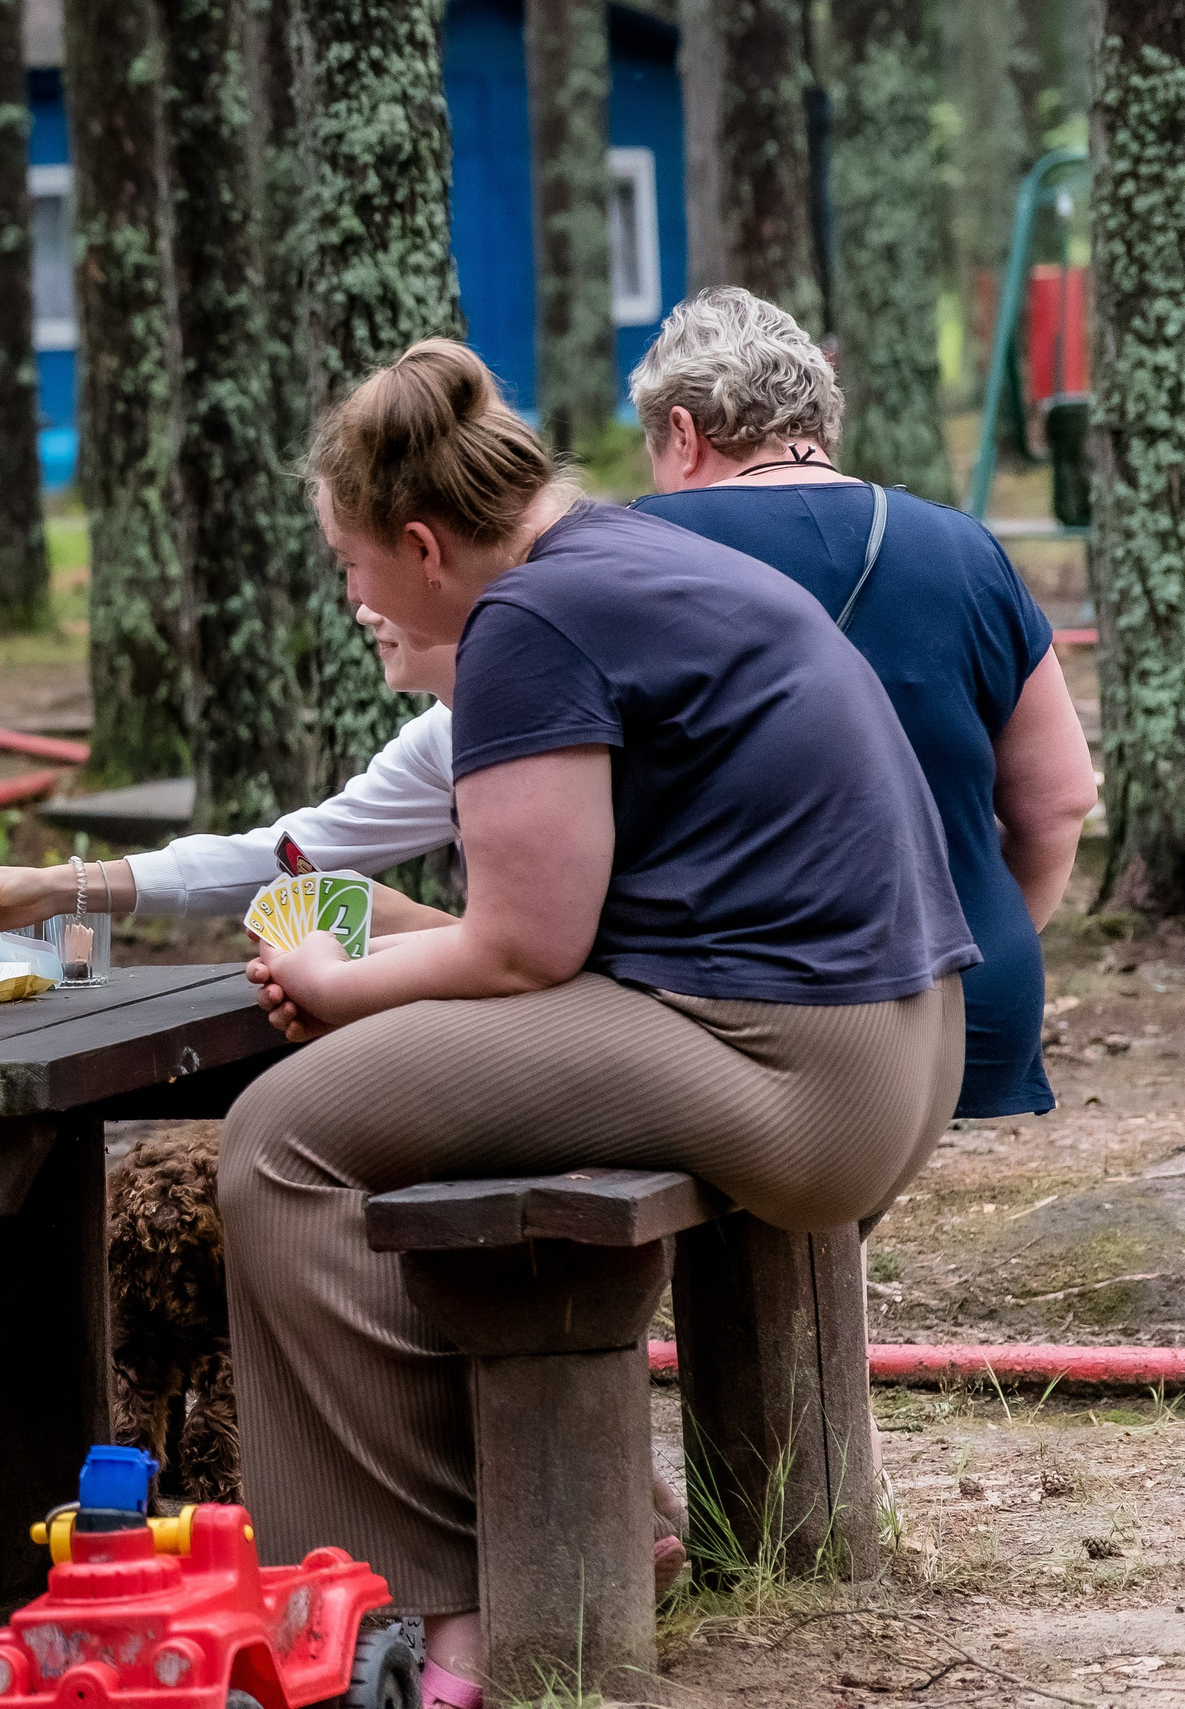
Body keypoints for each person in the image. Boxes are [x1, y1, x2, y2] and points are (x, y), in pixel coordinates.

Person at [213, 341, 975, 1709]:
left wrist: (333, 989)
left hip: (792, 1064)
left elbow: (523, 949)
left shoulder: (528, 624)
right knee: (405, 1114)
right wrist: (377, 934)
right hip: (899, 1042)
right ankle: (612, 1510)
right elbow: (567, 917)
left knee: (279, 1140)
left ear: (426, 546)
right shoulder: (624, 553)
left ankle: (463, 1597)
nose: (350, 593)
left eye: (349, 563)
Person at [629, 287, 1097, 1119]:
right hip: (969, 1006)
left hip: (731, 1014)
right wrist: (968, 945)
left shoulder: (631, 553)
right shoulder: (964, 549)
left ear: (682, 432)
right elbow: (1060, 798)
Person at [0, 604, 462, 936]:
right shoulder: (441, 732)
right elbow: (288, 854)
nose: (362, 610)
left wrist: (410, 928)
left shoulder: (526, 711)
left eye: (361, 563)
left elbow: (530, 958)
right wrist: (60, 887)